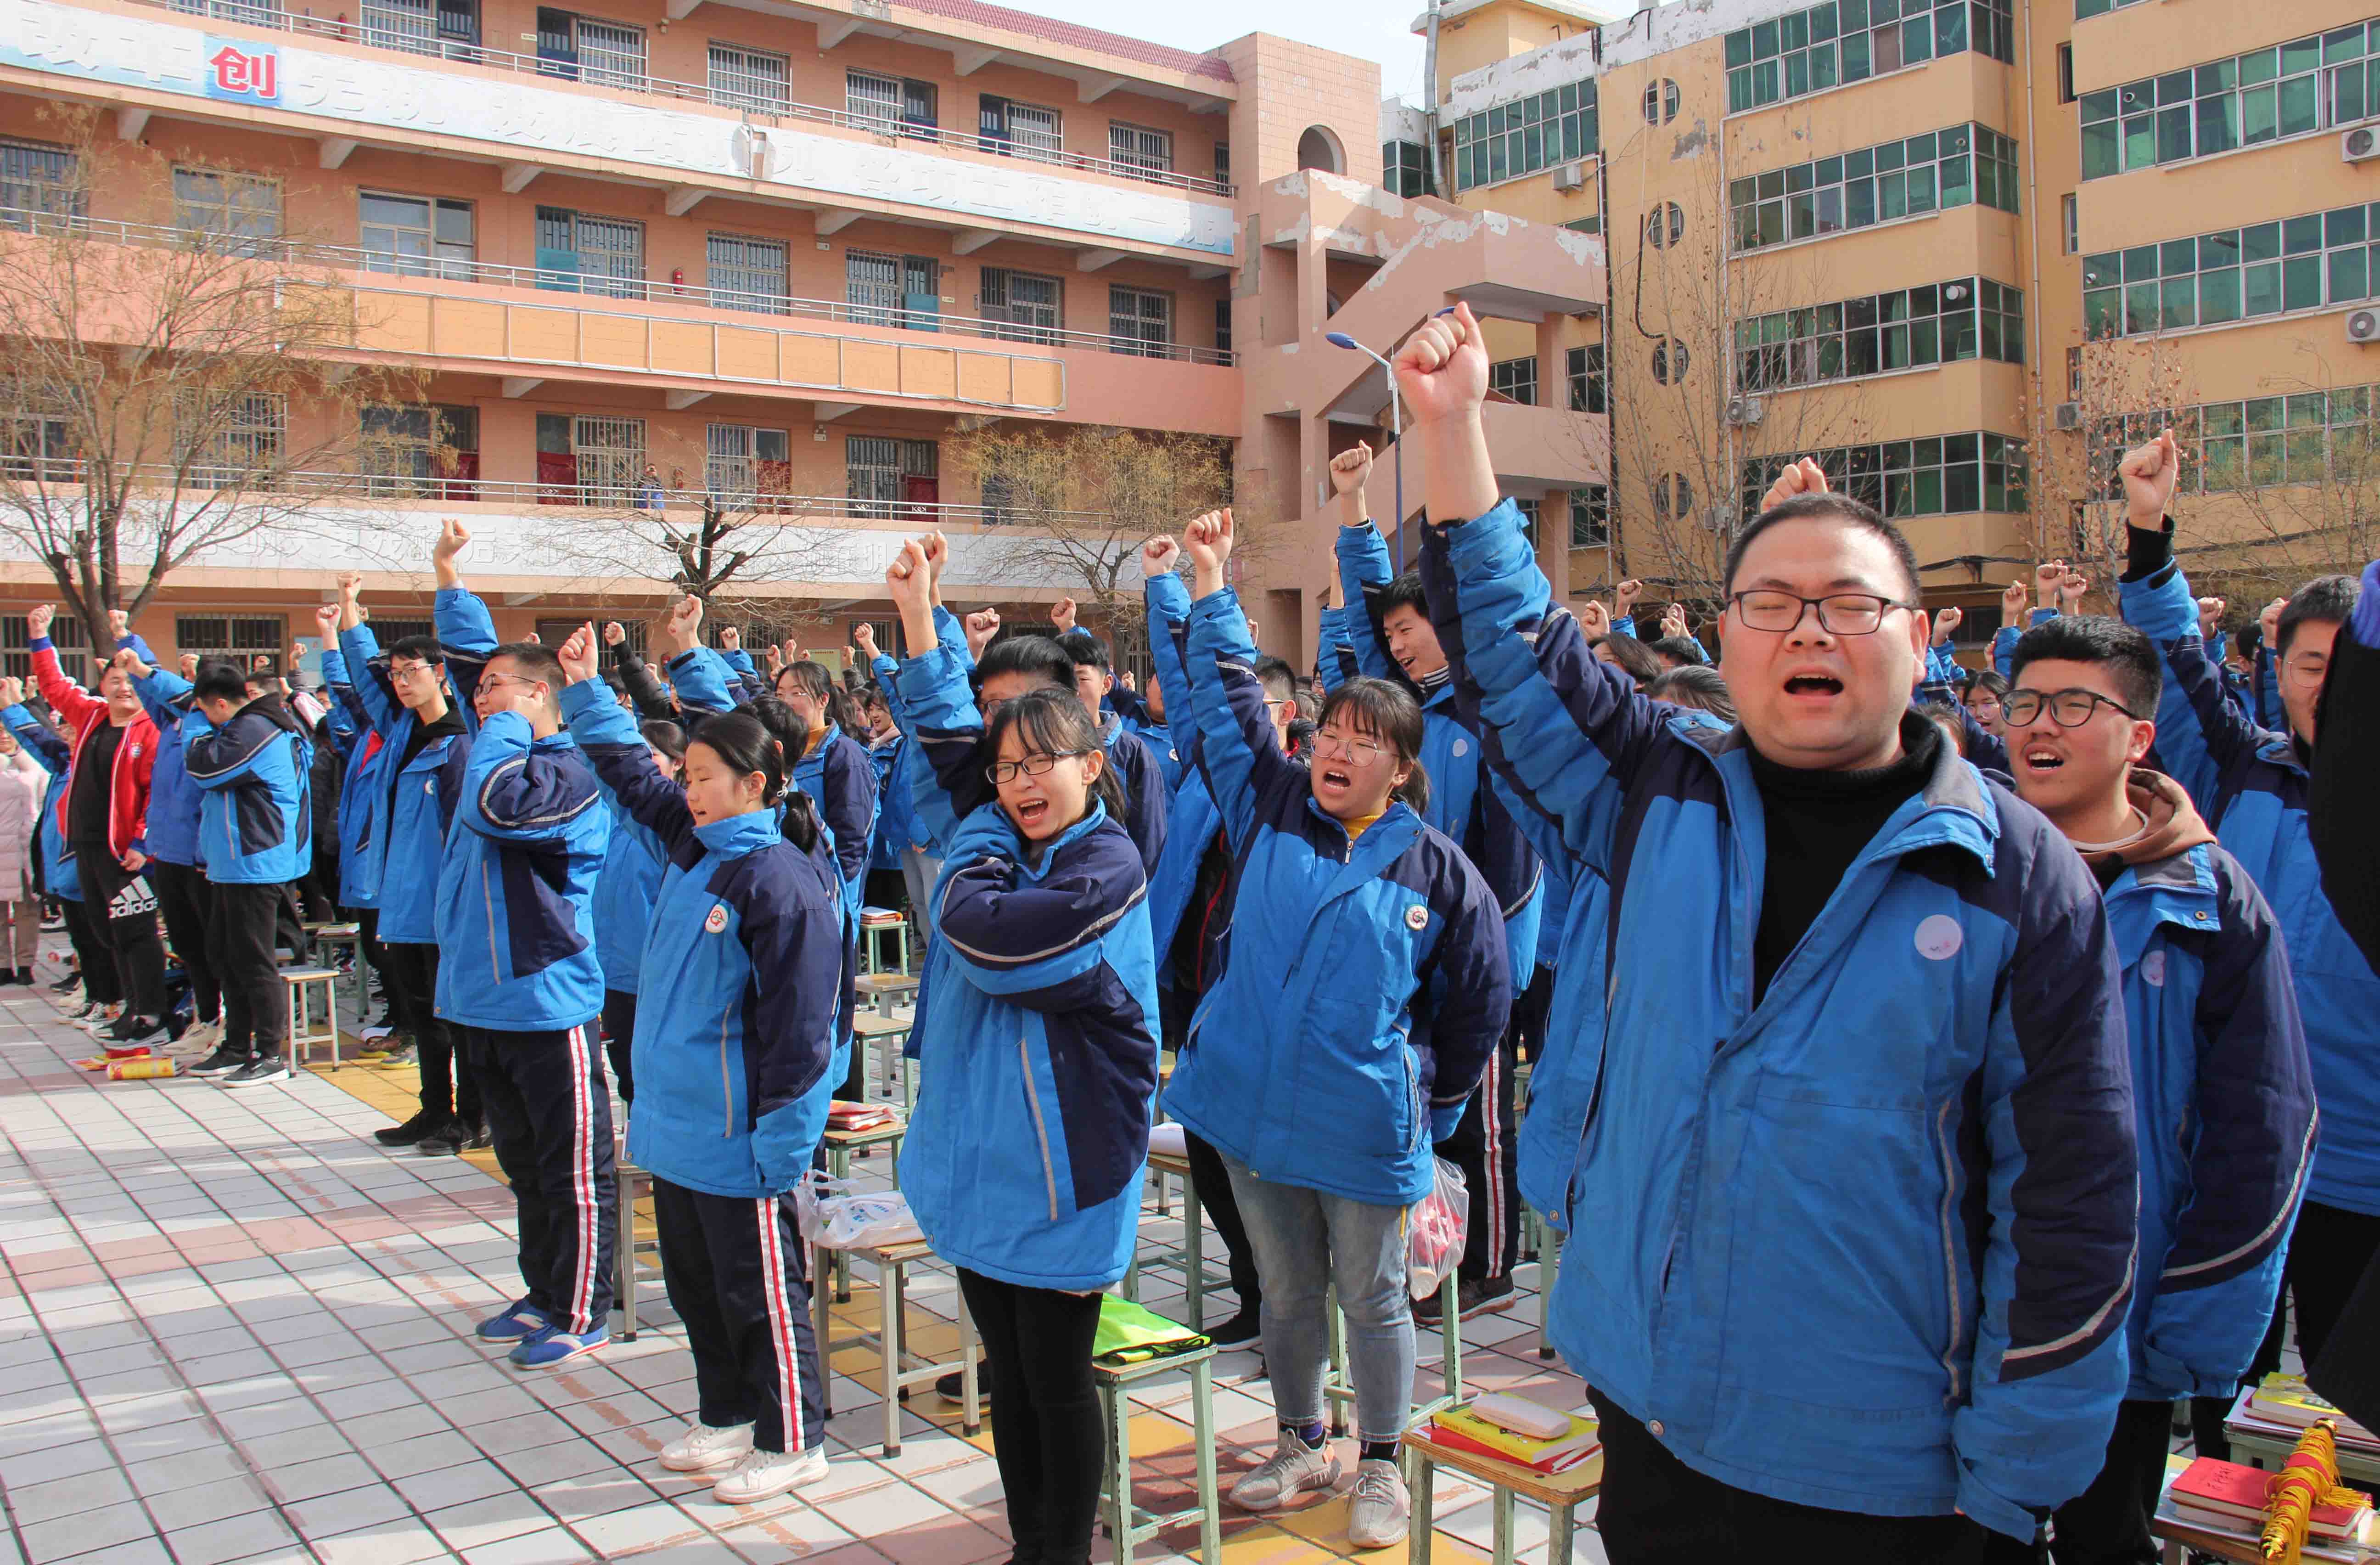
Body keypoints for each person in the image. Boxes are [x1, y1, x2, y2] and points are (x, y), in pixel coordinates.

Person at [1409, 301, 2136, 1559]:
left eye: (1848, 605)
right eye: (1771, 603)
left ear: (1920, 640)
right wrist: (1455, 426)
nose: (1808, 627)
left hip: (1890, 1472)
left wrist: (2017, 1479)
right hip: (1656, 1411)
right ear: (1727, 638)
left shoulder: (2018, 883)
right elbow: (1521, 664)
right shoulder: (1656, 792)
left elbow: (2072, 1205)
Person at [1165, 506, 1510, 1548]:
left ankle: (1380, 1460)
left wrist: (1431, 1099)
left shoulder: (1432, 869)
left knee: (1372, 1296)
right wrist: (1212, 578)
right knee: (1285, 1287)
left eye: (1365, 740)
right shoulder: (1267, 802)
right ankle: (1298, 1435)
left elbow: (1479, 997)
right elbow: (1228, 704)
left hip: (1362, 1124)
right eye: (1328, 730)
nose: (1337, 749)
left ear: (1401, 768)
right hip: (1245, 1109)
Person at [1992, 612, 2316, 1564]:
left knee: (2107, 1536)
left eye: (2074, 706)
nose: (2039, 727)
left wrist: (2198, 1317)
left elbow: (2264, 1121)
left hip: (2117, 1311)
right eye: (2024, 704)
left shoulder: (2212, 903)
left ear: (2139, 737)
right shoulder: (1961, 870)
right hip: (1964, 1300)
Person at [881, 537, 1159, 1565]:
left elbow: (997, 947)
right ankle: (1029, 1543)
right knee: (1005, 1372)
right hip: (983, 1149)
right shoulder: (997, 840)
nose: (1019, 781)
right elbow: (953, 749)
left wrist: (975, 858)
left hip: (1066, 1164)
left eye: (1043, 762)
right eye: (1008, 770)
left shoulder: (1106, 860)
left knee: (1057, 1376)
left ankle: (1066, 1553)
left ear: (1095, 761)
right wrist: (921, 617)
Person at [2113, 431, 2380, 1449]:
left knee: (2350, 1429)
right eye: (2310, 663)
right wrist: (2148, 532)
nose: (2325, 685)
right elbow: (2176, 661)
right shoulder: (2244, 769)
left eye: (2345, 666)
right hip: (2243, 1153)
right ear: (2283, 666)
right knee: (2220, 1393)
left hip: (2366, 1169)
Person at [557, 624, 851, 1504]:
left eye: (702, 777)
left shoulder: (776, 879)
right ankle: (725, 1415)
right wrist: (583, 690)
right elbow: (630, 775)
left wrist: (782, 1143)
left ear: (754, 784)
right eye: (686, 777)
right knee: (696, 1286)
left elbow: (803, 1032)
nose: (685, 790)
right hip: (675, 1127)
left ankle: (792, 1436)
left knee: (759, 1291)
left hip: (741, 1139)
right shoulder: (695, 844)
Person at [1331, 442, 1541, 1323]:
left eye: (1411, 625)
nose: (1397, 640)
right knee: (1428, 1113)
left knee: (1481, 1112)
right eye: (1392, 633)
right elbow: (1355, 624)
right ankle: (1435, 1254)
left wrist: (1494, 959)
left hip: (1477, 951)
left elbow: (1512, 863)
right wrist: (1351, 506)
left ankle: (1489, 1260)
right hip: (1410, 944)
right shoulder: (1409, 717)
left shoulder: (1485, 711)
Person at [429, 520, 617, 1368]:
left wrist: (509, 722)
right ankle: (542, 1287)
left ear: (541, 696)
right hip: (480, 999)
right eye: (480, 691)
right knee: (521, 1163)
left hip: (547, 996)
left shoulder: (568, 771)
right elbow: (479, 664)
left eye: (500, 690)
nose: (481, 700)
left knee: (572, 1165)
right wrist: (451, 579)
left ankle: (583, 1306)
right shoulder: (494, 749)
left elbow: (501, 808)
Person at [1137, 537, 1297, 1351]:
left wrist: (1206, 580)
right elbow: (1194, 671)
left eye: (1251, 717)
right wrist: (1169, 583)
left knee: (1269, 1171)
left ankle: (1292, 1311)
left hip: (1266, 1011)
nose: (1232, 729)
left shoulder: (1299, 801)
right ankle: (1252, 1290)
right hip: (1200, 996)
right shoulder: (1208, 768)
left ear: (1285, 718)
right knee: (1209, 1152)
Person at [333, 576, 481, 1154]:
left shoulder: (462, 738)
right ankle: (432, 1111)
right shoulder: (397, 731)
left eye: (411, 671)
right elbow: (359, 674)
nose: (398, 682)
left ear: (440, 672)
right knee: (421, 1014)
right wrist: (349, 613)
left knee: (454, 1017)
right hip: (400, 898)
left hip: (443, 901)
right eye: (394, 674)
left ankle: (471, 1117)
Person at [123, 651, 310, 1086]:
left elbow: (201, 768)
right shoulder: (242, 723)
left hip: (256, 864)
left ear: (222, 706)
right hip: (230, 864)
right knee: (226, 958)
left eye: (206, 712)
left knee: (254, 961)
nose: (202, 718)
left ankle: (270, 1053)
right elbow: (186, 699)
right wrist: (148, 674)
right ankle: (235, 1046)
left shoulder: (258, 729)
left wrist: (193, 726)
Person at [28, 604, 168, 1056]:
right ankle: (127, 1006)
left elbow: (156, 792)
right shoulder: (90, 716)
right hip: (87, 846)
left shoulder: (150, 730)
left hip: (126, 852)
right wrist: (39, 637)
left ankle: (151, 1014)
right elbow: (52, 686)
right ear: (103, 684)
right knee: (106, 932)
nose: (123, 687)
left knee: (135, 930)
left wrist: (142, 843)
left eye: (130, 680)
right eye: (114, 679)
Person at [104, 614, 221, 1054]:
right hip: (168, 853)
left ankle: (224, 1023)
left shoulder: (213, 728)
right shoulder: (171, 722)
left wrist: (143, 667)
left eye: (195, 679)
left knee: (214, 947)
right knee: (188, 945)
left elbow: (159, 683)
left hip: (202, 856)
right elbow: (155, 690)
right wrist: (128, 641)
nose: (187, 684)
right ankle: (203, 1018)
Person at [593, 716, 685, 1110]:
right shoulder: (616, 819)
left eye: (652, 757)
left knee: (654, 1070)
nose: (642, 767)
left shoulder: (675, 825)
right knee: (624, 1066)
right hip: (612, 965)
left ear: (678, 763)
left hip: (652, 968)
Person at [1, 678, 98, 1005]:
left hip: (83, 863)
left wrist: (22, 703)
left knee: (98, 938)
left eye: (74, 730)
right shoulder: (64, 764)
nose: (68, 736)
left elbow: (37, 742)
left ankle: (104, 995)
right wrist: (14, 706)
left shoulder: (86, 763)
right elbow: (40, 739)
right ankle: (94, 993)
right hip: (60, 866)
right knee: (83, 937)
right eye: (66, 730)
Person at [0, 726, 43, 985]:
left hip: (26, 847)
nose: (4, 735)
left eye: (8, 730)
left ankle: (27, 963)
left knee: (28, 910)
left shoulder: (34, 766)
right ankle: (3, 965)